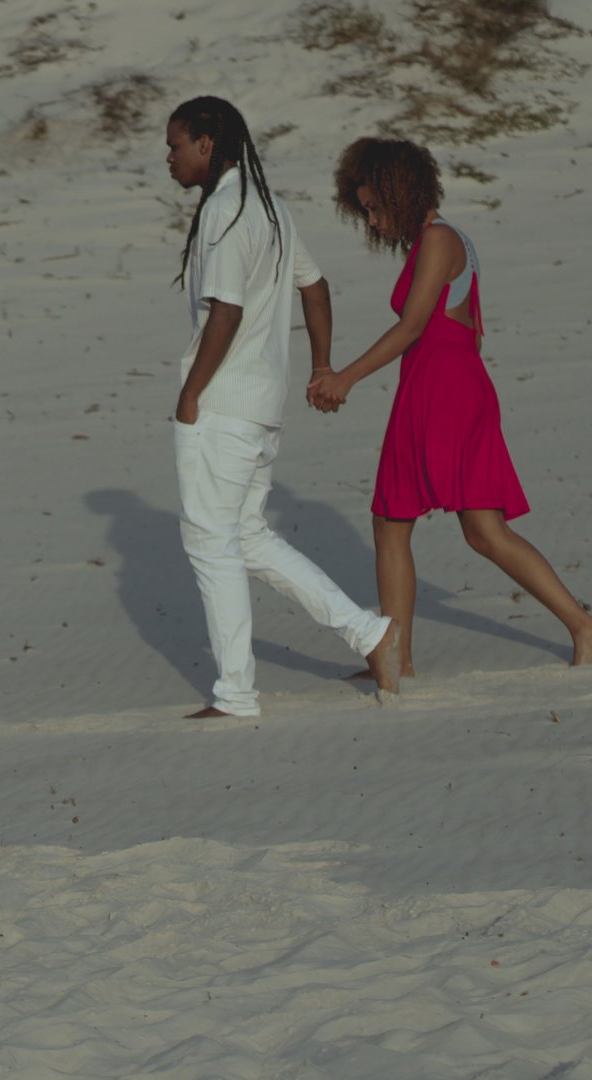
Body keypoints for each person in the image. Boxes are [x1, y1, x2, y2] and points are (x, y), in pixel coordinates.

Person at [307, 137, 592, 673]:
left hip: (442, 389)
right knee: (463, 529)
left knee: (401, 520)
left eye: (374, 208)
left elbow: (415, 324)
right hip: (445, 385)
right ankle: (582, 627)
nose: (373, 223)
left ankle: (399, 661)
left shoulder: (440, 239)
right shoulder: (440, 239)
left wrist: (345, 377)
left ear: (399, 192)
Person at [165, 96, 401, 719]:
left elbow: (228, 311)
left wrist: (191, 395)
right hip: (261, 406)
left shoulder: (225, 209)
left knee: (210, 543)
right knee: (245, 537)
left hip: (223, 405)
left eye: (177, 144)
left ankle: (236, 693)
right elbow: (315, 286)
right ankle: (367, 633)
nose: (169, 157)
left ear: (207, 145)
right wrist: (320, 364)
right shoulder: (268, 207)